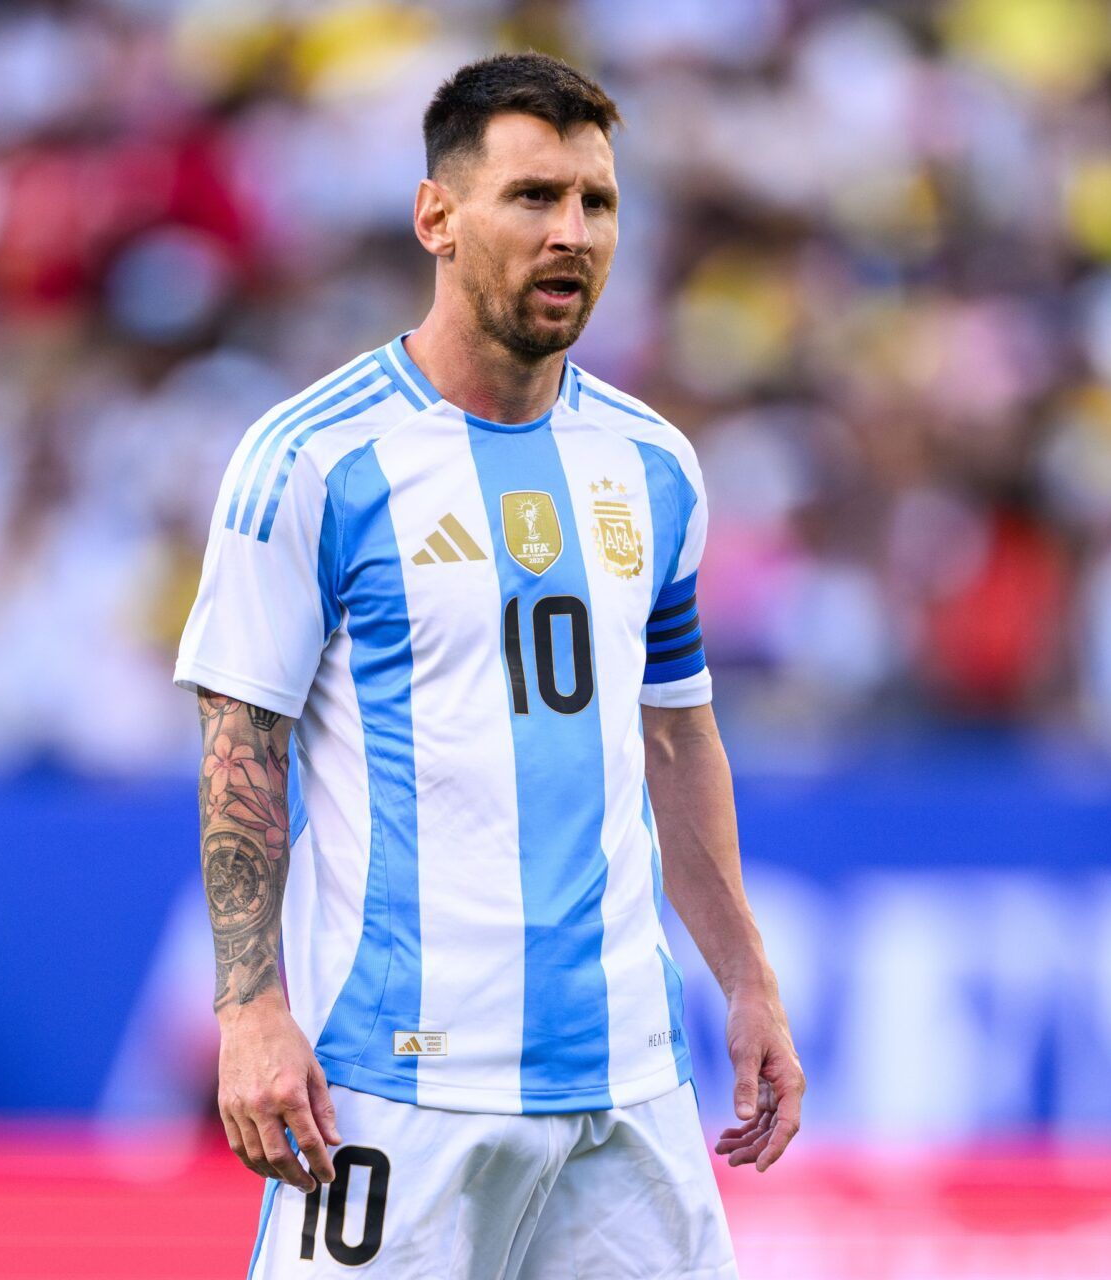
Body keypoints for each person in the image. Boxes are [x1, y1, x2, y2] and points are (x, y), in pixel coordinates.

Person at [174, 52, 803, 1278]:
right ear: (438, 217)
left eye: (597, 202)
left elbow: (674, 733)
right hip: (398, 1083)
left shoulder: (654, 463)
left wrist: (748, 976)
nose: (572, 233)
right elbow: (238, 747)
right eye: (532, 197)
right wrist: (251, 1012)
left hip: (627, 1078)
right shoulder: (312, 458)